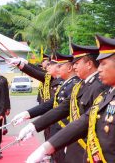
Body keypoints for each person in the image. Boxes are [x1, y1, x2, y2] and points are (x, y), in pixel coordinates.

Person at [26, 35, 115, 163]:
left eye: (103, 64)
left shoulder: (100, 88)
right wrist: (47, 146)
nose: (99, 69)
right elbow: (85, 120)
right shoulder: (108, 93)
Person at [12, 52, 80, 162]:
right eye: (56, 65)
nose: (56, 68)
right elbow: (52, 104)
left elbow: (62, 109)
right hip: (54, 126)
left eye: (59, 65)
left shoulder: (73, 84)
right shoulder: (65, 83)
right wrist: (27, 115)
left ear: (69, 68)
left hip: (64, 130)